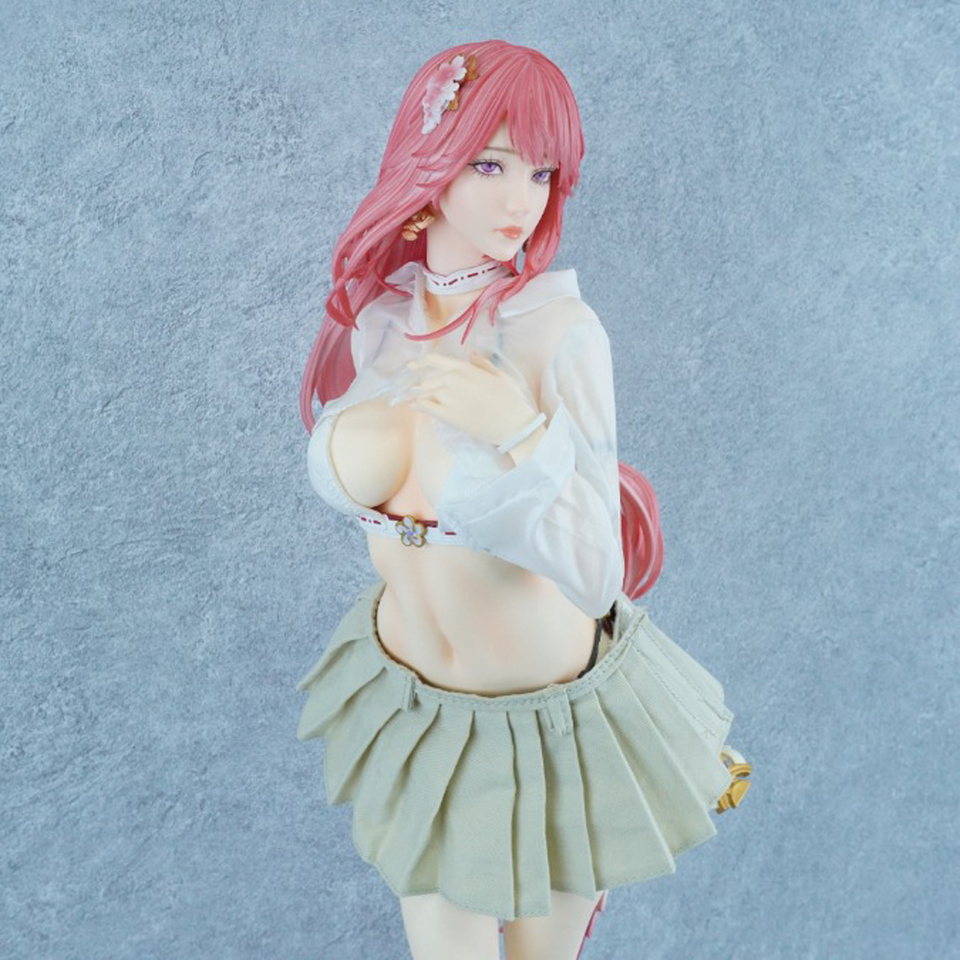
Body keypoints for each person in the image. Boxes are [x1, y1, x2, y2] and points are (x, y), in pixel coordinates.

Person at [295, 40, 750, 960]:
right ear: (429, 162)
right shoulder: (377, 323)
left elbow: (596, 573)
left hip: (555, 729)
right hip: (421, 709)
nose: (522, 202)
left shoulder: (558, 331)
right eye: (491, 165)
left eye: (541, 173)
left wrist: (522, 435)